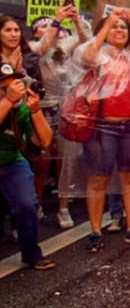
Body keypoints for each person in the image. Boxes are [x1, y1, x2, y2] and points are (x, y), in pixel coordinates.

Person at [72, 8, 130, 251]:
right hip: (101, 126)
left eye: (123, 27)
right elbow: (84, 56)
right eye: (114, 26)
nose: (119, 30)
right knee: (98, 179)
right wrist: (106, 26)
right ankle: (94, 231)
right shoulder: (97, 55)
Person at [31, 4, 91, 230]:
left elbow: (85, 39)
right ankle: (35, 204)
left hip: (65, 109)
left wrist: (76, 19)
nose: (49, 29)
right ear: (36, 32)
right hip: (42, 110)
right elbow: (45, 44)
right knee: (42, 163)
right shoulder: (35, 48)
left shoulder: (65, 46)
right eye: (42, 26)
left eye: (51, 25)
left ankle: (63, 207)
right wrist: (56, 21)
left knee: (66, 162)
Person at [0, 63, 55, 269]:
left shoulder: (21, 109)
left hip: (12, 162)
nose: (13, 90)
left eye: (14, 84)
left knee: (27, 205)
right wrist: (7, 100)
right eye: (5, 87)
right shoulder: (8, 101)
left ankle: (31, 253)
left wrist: (36, 110)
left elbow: (45, 140)